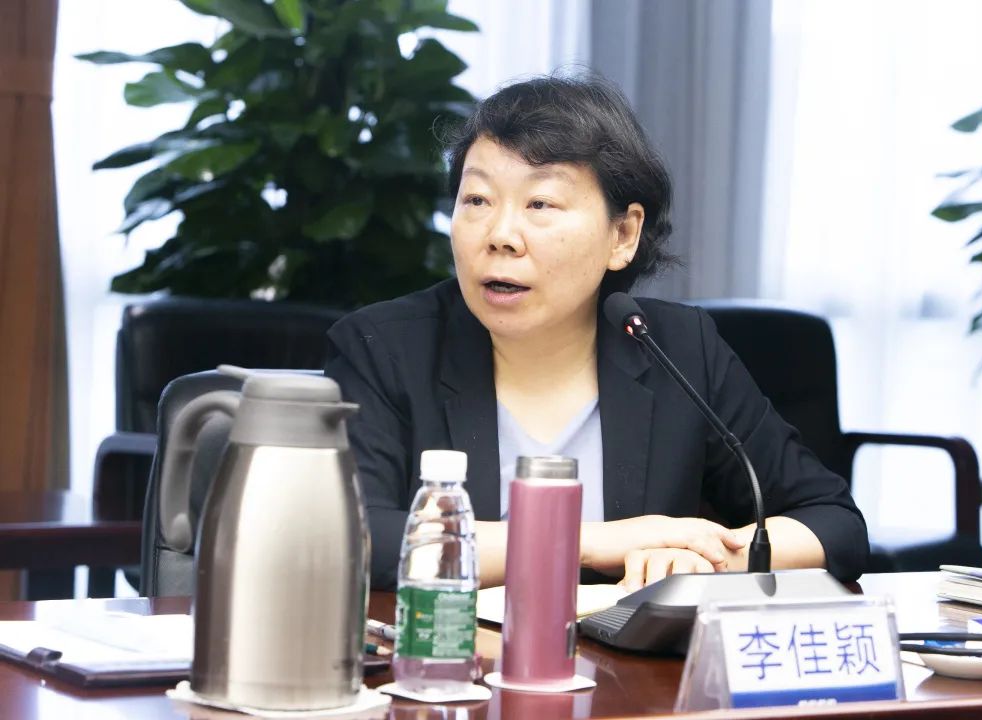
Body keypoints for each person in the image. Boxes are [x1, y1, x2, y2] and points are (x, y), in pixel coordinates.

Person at [325, 74, 868, 592]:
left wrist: (700, 558)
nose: (501, 235)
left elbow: (833, 522)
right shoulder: (383, 347)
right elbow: (354, 537)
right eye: (477, 201)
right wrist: (589, 542)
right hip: (451, 652)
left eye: (540, 204)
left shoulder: (679, 348)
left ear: (623, 234)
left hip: (622, 656)